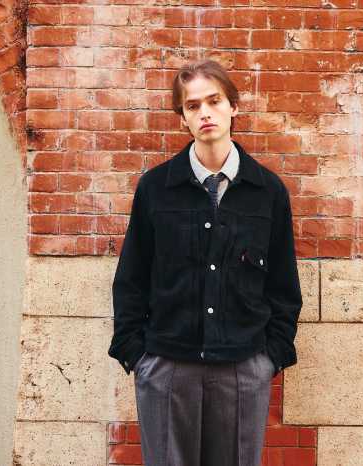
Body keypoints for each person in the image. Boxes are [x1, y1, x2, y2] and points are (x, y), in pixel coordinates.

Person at [108, 59, 302, 466]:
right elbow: (131, 278)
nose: (205, 113)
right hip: (166, 364)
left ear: (234, 107)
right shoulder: (156, 188)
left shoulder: (267, 192)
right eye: (193, 105)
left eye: (214, 101)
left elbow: (284, 285)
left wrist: (270, 357)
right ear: (182, 117)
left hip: (243, 366)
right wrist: (138, 356)